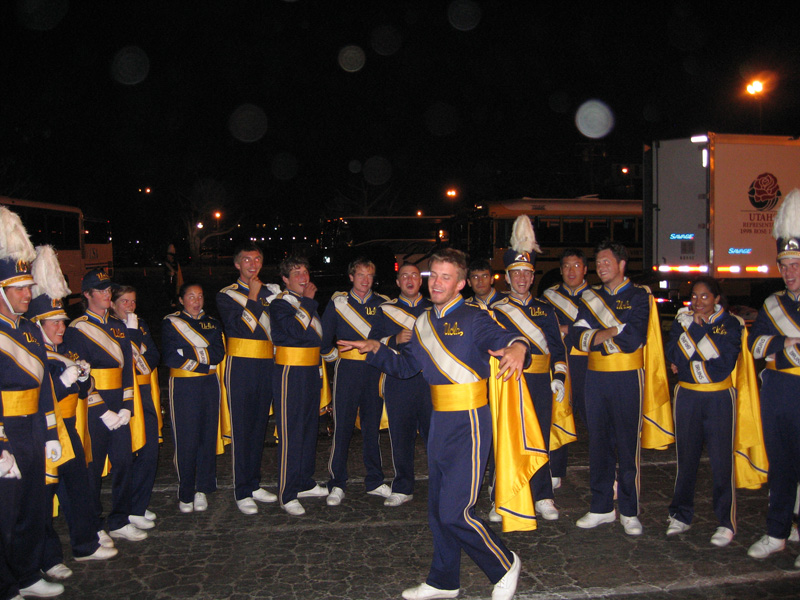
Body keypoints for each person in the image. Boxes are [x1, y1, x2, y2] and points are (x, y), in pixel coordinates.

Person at [338, 248, 531, 600]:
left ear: (460, 284)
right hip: (440, 419)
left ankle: (504, 564)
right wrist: (376, 350)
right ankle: (444, 580)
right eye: (434, 276)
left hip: (470, 420)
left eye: (446, 277)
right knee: (437, 509)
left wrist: (518, 346)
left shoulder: (475, 316)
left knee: (456, 511)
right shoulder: (423, 321)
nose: (437, 283)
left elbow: (503, 338)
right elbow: (406, 367)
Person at [27, 246, 118, 582]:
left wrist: (79, 379)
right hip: (42, 429)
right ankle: (47, 558)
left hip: (68, 425)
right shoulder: (32, 353)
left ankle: (84, 543)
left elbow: (83, 388)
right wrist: (63, 381)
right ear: (38, 324)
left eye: (62, 323)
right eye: (54, 324)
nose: (61, 329)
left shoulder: (65, 348)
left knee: (79, 486)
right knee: (44, 496)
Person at [570, 239, 670, 537]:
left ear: (622, 264)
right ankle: (601, 507)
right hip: (595, 379)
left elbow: (635, 337)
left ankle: (628, 509)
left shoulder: (639, 296)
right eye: (598, 263)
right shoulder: (590, 297)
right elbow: (576, 338)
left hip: (627, 378)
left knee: (627, 445)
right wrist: (613, 331)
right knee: (598, 444)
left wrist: (597, 339)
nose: (601, 267)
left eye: (606, 262)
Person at [0, 208, 65, 598]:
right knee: (3, 514)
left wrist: (51, 430)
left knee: (31, 507)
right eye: (20, 289)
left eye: (28, 287)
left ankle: (26, 573)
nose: (29, 294)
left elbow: (43, 387)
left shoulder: (28, 331)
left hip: (33, 430)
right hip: (7, 430)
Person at [491, 216, 568, 522]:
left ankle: (543, 495)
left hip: (539, 383)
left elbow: (558, 348)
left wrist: (559, 376)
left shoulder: (545, 309)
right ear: (507, 278)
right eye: (515, 273)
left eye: (526, 273)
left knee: (540, 438)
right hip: (509, 381)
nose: (521, 278)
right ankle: (503, 495)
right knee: (507, 438)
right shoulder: (495, 310)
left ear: (532, 276)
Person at [64, 268, 144, 543]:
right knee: (92, 469)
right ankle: (94, 524)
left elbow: (126, 372)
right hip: (93, 405)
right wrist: (102, 410)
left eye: (108, 289)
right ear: (86, 295)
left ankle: (120, 519)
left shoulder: (119, 327)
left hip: (118, 404)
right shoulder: (77, 329)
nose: (107, 294)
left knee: (124, 462)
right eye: (100, 290)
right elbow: (81, 374)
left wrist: (126, 406)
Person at [664, 276, 741, 547]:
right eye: (694, 297)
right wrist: (687, 359)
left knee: (722, 463)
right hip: (687, 397)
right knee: (686, 460)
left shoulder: (731, 323)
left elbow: (724, 365)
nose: (698, 302)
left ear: (717, 299)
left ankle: (725, 522)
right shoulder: (681, 319)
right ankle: (681, 514)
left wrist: (693, 340)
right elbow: (672, 353)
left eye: (705, 297)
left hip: (719, 398)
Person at [748, 188, 800, 567]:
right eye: (784, 264)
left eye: (796, 264)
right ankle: (778, 532)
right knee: (780, 466)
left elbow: (768, 346)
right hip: (778, 391)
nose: (789, 271)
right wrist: (788, 343)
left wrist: (777, 346)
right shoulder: (771, 303)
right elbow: (756, 346)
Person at [321, 257, 389, 506]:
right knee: (342, 427)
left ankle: (375, 480)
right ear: (351, 277)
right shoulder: (339, 302)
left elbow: (386, 338)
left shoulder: (383, 303)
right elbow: (325, 336)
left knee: (371, 427)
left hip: (373, 369)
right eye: (360, 275)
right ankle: (337, 483)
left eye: (369, 275)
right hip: (347, 369)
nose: (365, 280)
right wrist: (333, 359)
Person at [216, 242, 278, 514]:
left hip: (266, 364)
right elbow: (242, 329)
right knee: (243, 428)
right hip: (241, 364)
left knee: (258, 427)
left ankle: (253, 484)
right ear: (237, 264)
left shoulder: (271, 292)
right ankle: (242, 490)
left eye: (257, 260)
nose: (252, 264)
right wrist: (253, 296)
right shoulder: (226, 295)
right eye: (246, 260)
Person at [269, 256, 330, 516]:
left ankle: (304, 481)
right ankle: (287, 492)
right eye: (296, 273)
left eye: (305, 271)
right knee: (291, 431)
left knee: (308, 428)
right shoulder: (280, 303)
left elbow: (312, 336)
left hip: (309, 370)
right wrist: (307, 301)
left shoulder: (306, 304)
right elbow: (294, 332)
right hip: (290, 372)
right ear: (285, 279)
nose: (303, 277)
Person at [368, 263, 432, 507]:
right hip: (398, 382)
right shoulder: (386, 310)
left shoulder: (433, 307)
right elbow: (372, 343)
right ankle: (403, 486)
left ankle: (440, 485)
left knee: (434, 437)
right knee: (400, 437)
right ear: (397, 282)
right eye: (404, 276)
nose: (410, 279)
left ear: (421, 280)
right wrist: (393, 339)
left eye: (414, 275)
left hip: (429, 382)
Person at [162, 283, 225, 513]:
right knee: (186, 437)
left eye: (200, 296)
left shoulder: (213, 322)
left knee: (207, 436)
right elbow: (170, 356)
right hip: (183, 384)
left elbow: (218, 353)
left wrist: (189, 352)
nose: (196, 301)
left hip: (209, 384)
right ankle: (186, 491)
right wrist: (203, 360)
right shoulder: (171, 322)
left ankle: (202, 488)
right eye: (191, 296)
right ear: (181, 300)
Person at [110, 285, 161, 531]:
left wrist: (136, 346)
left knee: (150, 450)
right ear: (112, 303)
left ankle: (138, 506)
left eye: (133, 302)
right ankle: (126, 509)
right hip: (122, 398)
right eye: (124, 302)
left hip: (143, 392)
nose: (130, 307)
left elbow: (153, 356)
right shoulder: (109, 327)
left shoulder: (139, 323)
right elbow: (121, 361)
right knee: (128, 454)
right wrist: (131, 340)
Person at [542, 249, 590, 489]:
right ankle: (556, 468)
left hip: (588, 363)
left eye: (576, 266)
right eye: (567, 266)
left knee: (594, 418)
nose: (572, 271)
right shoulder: (549, 297)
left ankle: (605, 472)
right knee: (557, 412)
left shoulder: (596, 297)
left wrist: (567, 330)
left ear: (585, 269)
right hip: (559, 361)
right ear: (560, 270)